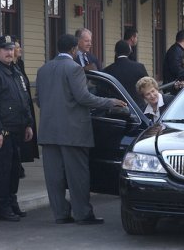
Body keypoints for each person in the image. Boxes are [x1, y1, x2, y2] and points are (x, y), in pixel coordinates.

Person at [35, 34, 126, 225]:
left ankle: (60, 214)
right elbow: (84, 98)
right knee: (77, 175)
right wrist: (110, 102)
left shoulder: (43, 69)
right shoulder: (74, 68)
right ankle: (83, 214)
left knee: (54, 177)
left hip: (49, 130)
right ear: (74, 50)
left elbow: (39, 99)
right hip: (73, 131)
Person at [0, 35, 35, 221]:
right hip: (1, 132)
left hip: (16, 129)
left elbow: (24, 100)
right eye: (5, 49)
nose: (9, 53)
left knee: (13, 171)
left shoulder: (16, 71)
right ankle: (2, 207)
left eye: (11, 49)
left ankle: (12, 202)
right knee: (0, 171)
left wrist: (28, 124)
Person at [14, 38, 39, 171]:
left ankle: (19, 163)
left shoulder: (20, 64)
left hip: (25, 104)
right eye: (17, 47)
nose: (20, 49)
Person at [103, 40, 148, 104]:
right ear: (129, 52)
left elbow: (102, 91)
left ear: (115, 52)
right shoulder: (139, 67)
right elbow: (148, 86)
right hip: (138, 108)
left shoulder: (107, 70)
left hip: (116, 109)